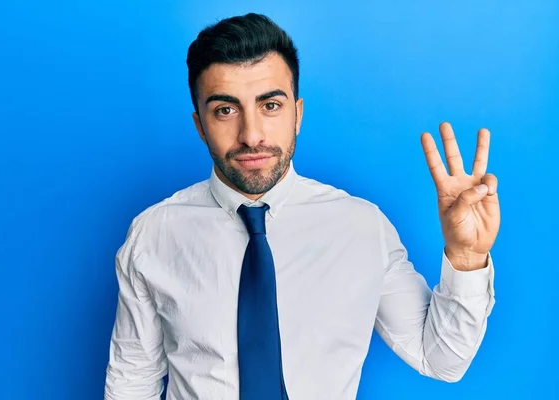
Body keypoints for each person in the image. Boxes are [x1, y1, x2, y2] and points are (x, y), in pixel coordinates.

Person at [104, 12, 500, 400]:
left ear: (298, 114)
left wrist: (467, 256)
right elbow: (131, 381)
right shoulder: (155, 233)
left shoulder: (361, 227)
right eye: (226, 110)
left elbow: (442, 360)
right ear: (200, 125)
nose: (251, 134)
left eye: (270, 105)